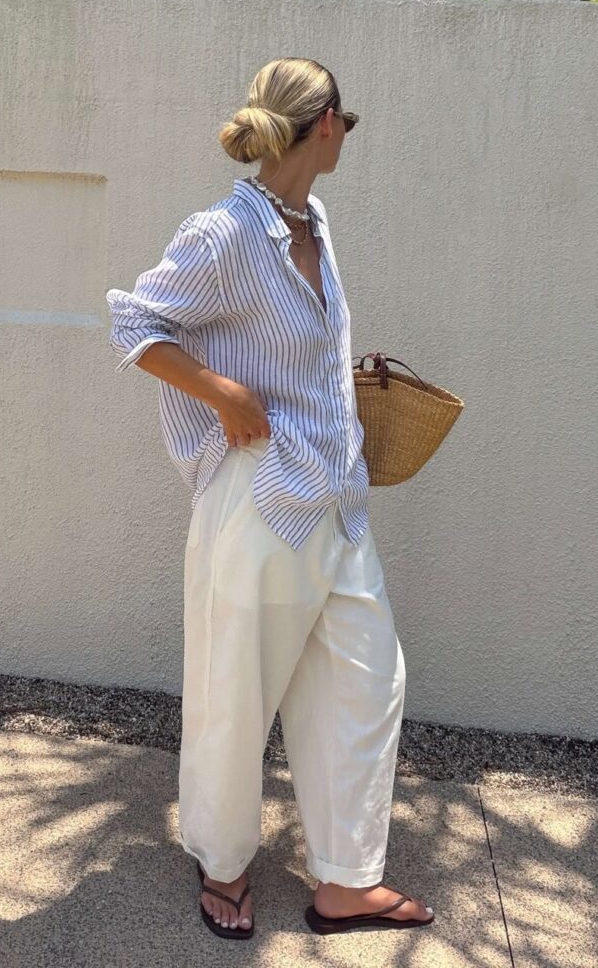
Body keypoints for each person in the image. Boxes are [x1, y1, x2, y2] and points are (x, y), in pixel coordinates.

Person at [105, 57, 434, 939]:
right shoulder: (221, 233)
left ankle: (344, 881)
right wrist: (224, 394)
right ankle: (223, 865)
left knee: (366, 684)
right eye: (345, 124)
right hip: (257, 498)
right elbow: (135, 324)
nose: (345, 138)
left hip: (334, 496)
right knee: (234, 691)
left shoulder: (313, 220)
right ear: (323, 124)